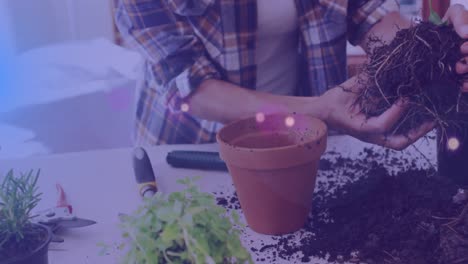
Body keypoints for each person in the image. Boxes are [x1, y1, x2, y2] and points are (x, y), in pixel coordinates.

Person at [114, 0, 468, 149]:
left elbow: (371, 18)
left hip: (297, 144)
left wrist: (440, 47)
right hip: (195, 153)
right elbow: (193, 88)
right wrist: (320, 110)